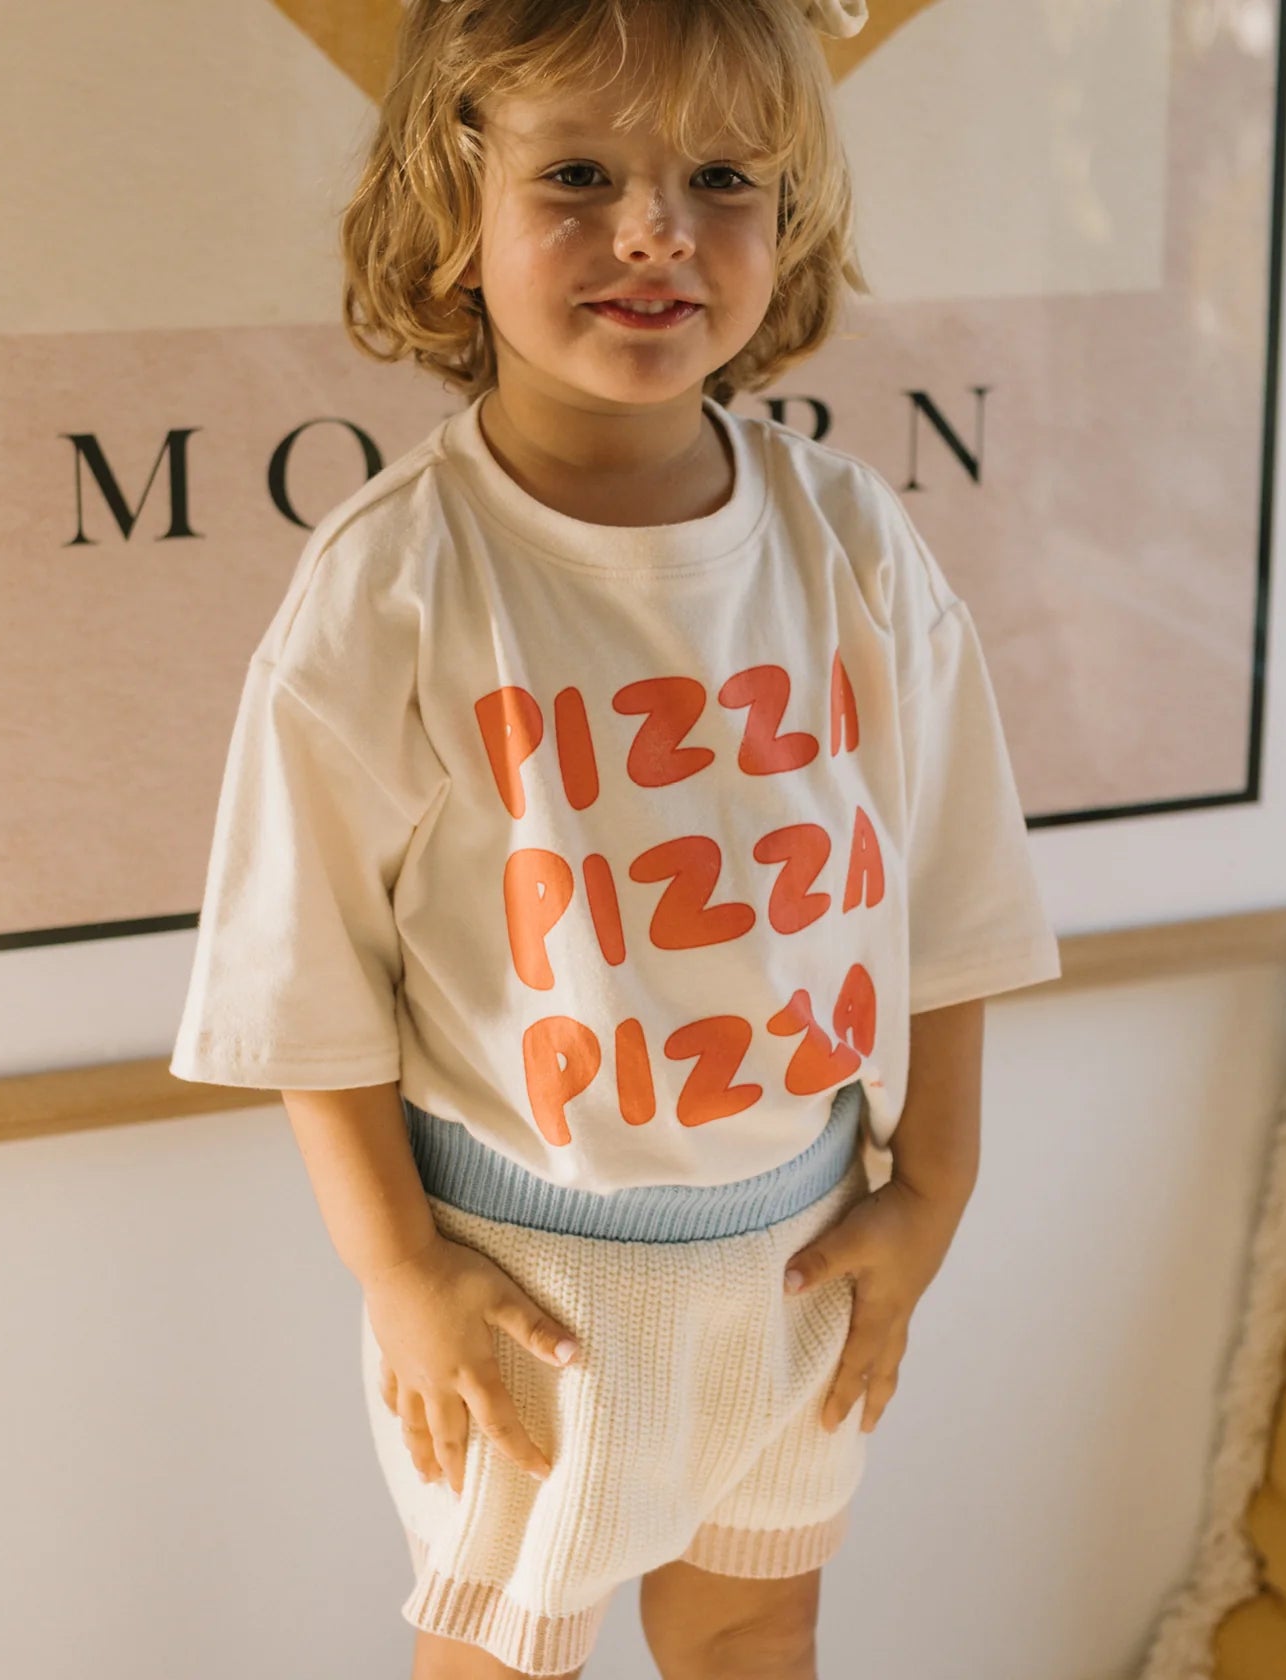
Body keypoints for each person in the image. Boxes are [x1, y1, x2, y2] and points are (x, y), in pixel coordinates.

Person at [169, 0, 1061, 1674]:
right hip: (529, 1289)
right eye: (579, 172)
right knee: (507, 1649)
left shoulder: (850, 542)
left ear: (783, 225)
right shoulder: (395, 585)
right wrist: (400, 1273)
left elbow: (954, 891)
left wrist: (935, 1186)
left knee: (750, 1627)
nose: (655, 226)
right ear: (456, 223)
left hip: (800, 1257)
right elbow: (307, 981)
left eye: (720, 174)